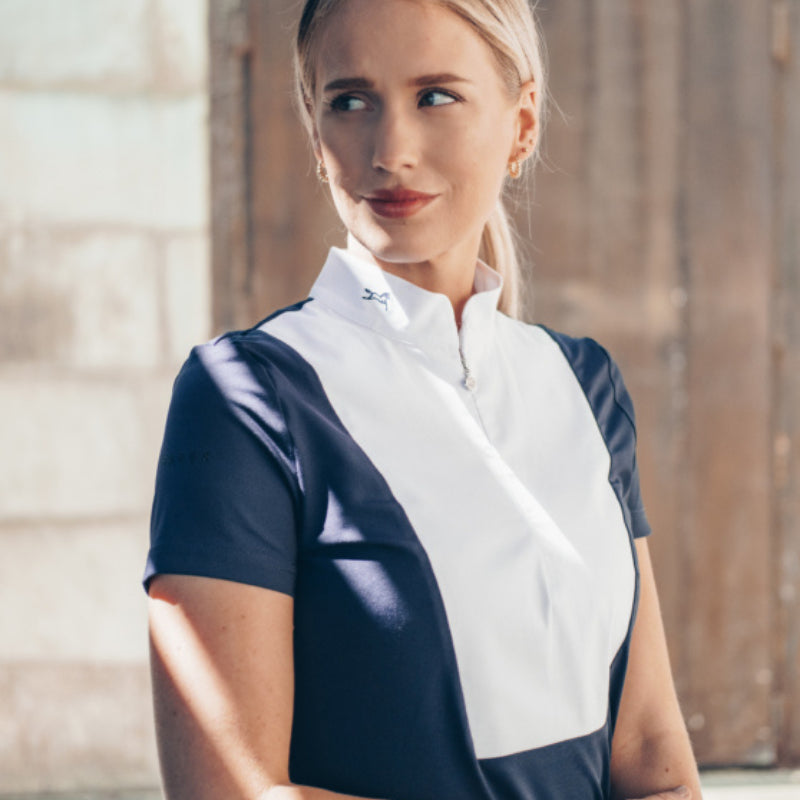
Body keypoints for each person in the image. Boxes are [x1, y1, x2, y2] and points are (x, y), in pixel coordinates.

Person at [144, 1, 703, 798]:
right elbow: (228, 791)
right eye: (350, 101)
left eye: (436, 95)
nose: (391, 150)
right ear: (315, 132)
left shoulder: (583, 383)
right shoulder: (248, 398)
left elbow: (650, 752)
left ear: (522, 125)